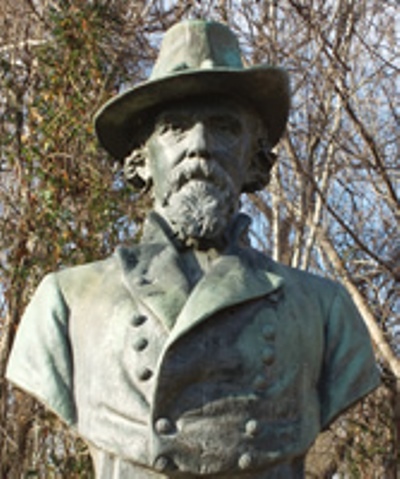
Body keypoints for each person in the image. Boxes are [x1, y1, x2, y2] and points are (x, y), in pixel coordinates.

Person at [6, 20, 380, 479]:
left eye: (224, 128)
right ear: (141, 159)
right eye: (176, 128)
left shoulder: (324, 310)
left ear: (254, 159)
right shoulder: (66, 300)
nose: (199, 146)